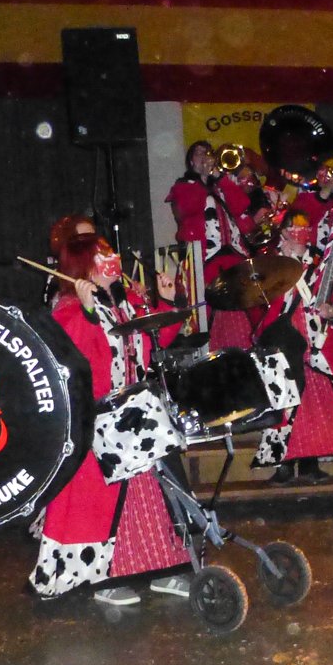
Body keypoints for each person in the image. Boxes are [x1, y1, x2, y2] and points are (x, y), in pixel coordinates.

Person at [29, 232, 192, 606]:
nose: (112, 261)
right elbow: (76, 358)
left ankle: (159, 566)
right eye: (102, 256)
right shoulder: (69, 308)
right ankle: (99, 578)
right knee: (100, 507)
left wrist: (168, 302)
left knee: (150, 501)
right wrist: (87, 313)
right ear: (85, 266)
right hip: (98, 422)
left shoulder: (123, 305)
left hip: (132, 418)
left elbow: (149, 344)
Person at [250, 212, 333, 485]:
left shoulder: (323, 262)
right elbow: (256, 307)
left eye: (304, 226)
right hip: (282, 344)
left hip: (315, 342)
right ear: (283, 231)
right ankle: (283, 463)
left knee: (313, 408)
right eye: (293, 226)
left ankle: (311, 462)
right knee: (285, 402)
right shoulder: (267, 264)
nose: (299, 231)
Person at [166, 141, 256, 350]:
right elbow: (189, 207)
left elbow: (242, 205)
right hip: (205, 259)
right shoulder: (183, 185)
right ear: (191, 161)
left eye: (208, 153)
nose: (205, 157)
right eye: (199, 153)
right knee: (209, 313)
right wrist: (204, 180)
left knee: (244, 308)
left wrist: (220, 177)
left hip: (234, 256)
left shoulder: (221, 185)